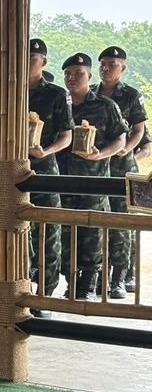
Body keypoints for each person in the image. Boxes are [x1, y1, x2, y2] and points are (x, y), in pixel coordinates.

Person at [58, 52, 127, 300]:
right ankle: (71, 284)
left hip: (93, 182)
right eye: (68, 74)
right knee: (65, 236)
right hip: (61, 182)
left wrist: (100, 155)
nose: (72, 78)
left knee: (92, 236)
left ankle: (88, 286)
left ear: (89, 76)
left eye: (78, 74)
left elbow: (120, 139)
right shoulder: (60, 103)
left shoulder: (105, 106)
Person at [92, 46, 147, 298]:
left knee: (123, 225)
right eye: (103, 64)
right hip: (97, 169)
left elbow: (139, 131)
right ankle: (99, 277)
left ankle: (120, 278)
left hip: (124, 170)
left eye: (112, 65)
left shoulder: (131, 95)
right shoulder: (92, 95)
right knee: (99, 224)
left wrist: (127, 149)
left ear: (122, 68)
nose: (106, 68)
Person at [26, 39, 72, 316]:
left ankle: (44, 295)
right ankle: (17, 292)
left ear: (43, 62)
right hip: (9, 173)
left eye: (32, 58)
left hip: (43, 173)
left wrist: (46, 151)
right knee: (14, 234)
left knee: (47, 236)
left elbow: (66, 136)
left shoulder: (56, 94)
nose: (26, 63)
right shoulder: (5, 90)